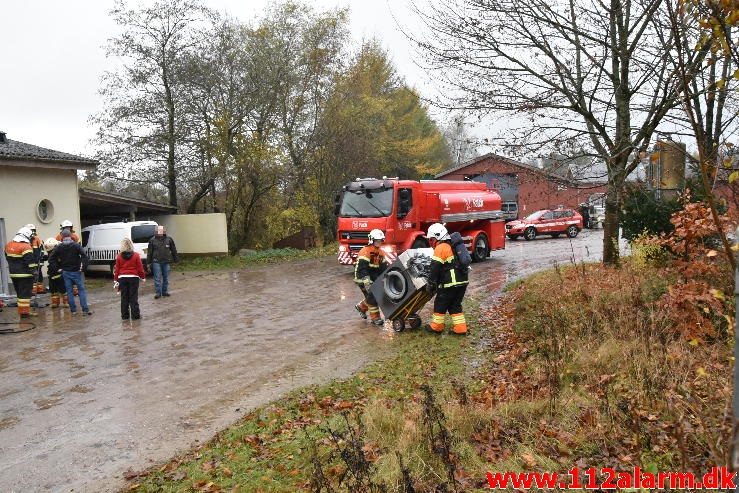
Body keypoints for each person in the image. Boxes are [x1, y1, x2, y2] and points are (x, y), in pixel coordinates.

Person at [425, 223, 469, 335]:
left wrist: (430, 283)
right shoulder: (453, 245)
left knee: (440, 304)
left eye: (431, 239)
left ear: (437, 237)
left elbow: (435, 267)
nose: (431, 242)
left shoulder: (441, 247)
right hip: (462, 282)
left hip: (450, 284)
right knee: (455, 305)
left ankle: (436, 327)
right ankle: (461, 329)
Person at [49, 229, 92, 315]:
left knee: (69, 291)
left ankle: (73, 311)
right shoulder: (76, 245)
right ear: (71, 236)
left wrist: (57, 268)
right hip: (76, 272)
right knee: (81, 290)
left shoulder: (59, 247)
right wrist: (83, 267)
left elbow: (51, 258)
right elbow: (85, 257)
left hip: (65, 272)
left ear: (62, 237)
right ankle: (85, 310)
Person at [353, 229, 388, 326]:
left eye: (380, 241)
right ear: (371, 240)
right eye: (377, 241)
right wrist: (367, 282)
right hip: (362, 278)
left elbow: (383, 268)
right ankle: (375, 318)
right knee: (373, 297)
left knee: (373, 296)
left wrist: (387, 277)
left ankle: (361, 307)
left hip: (373, 277)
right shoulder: (365, 251)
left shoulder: (380, 253)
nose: (379, 243)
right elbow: (362, 269)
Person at [4, 226, 38, 318]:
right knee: (25, 295)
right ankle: (24, 313)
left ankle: (23, 311)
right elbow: (30, 262)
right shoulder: (26, 246)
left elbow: (7, 257)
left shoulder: (9, 245)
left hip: (13, 274)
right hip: (25, 275)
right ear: (26, 236)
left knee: (19, 294)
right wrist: (34, 272)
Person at [114, 237, 146, 320]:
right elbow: (140, 268)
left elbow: (117, 269)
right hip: (133, 278)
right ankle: (135, 316)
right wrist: (143, 277)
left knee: (124, 297)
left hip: (122, 278)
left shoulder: (119, 256)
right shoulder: (136, 255)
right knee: (133, 297)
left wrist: (115, 280)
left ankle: (124, 316)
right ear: (131, 245)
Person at [147, 225, 179, 299]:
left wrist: (176, 260)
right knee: (157, 278)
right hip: (156, 262)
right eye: (158, 231)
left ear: (164, 231)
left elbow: (173, 250)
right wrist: (148, 263)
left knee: (166, 278)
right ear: (156, 232)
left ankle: (165, 292)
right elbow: (149, 253)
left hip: (166, 261)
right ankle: (158, 293)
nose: (160, 232)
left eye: (161, 231)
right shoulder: (152, 240)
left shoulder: (169, 239)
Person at [43, 238, 65, 308]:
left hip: (59, 273)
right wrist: (45, 257)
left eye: (50, 251)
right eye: (48, 252)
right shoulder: (52, 250)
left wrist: (60, 269)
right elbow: (51, 258)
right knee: (53, 290)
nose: (50, 253)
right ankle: (55, 303)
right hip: (52, 273)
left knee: (63, 289)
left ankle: (66, 303)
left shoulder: (61, 251)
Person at [25, 224, 46, 294]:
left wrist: (40, 257)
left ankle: (39, 289)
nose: (32, 232)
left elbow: (42, 249)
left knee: (39, 274)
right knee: (32, 275)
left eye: (33, 230)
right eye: (31, 230)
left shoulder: (37, 239)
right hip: (30, 261)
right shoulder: (26, 240)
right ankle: (33, 290)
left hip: (38, 261)